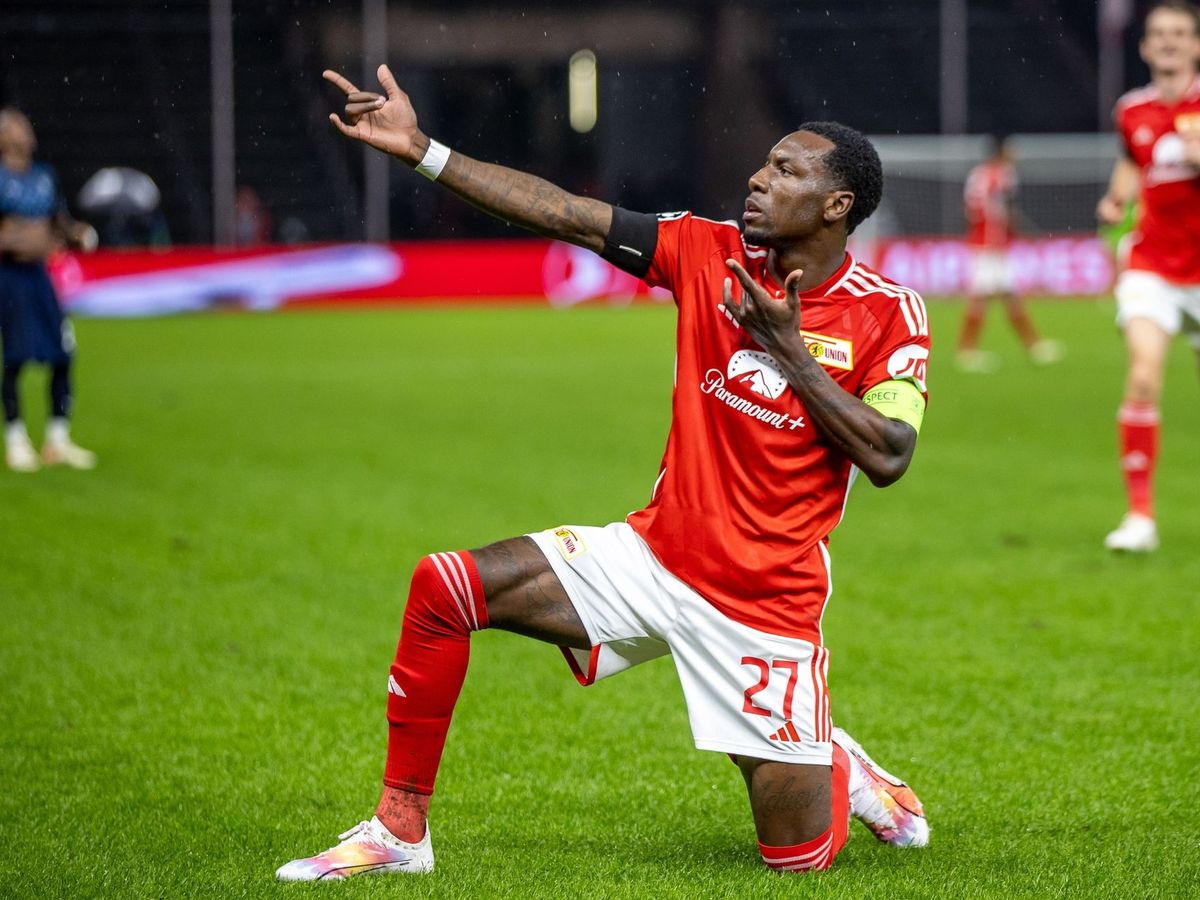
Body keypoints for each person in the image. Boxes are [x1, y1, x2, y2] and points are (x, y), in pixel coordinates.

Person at [277, 64, 933, 881]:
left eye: (785, 171)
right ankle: (399, 831)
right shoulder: (705, 249)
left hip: (765, 607)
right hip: (655, 559)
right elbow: (568, 213)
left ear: (837, 206)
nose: (758, 179)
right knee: (445, 586)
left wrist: (790, 351)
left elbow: (890, 454)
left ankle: (839, 764)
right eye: (764, 164)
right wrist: (422, 151)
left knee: (796, 861)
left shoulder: (887, 313)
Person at [1096, 1, 1200, 552]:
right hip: (1152, 265)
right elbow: (1133, 162)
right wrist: (1117, 199)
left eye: (1179, 33)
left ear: (1196, 45)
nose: (1168, 41)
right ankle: (1140, 517)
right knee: (1142, 376)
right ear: (1144, 46)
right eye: (1159, 33)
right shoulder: (1131, 109)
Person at [0, 108, 97, 472]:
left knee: (63, 353)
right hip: (9, 275)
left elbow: (58, 223)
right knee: (15, 357)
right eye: (13, 126)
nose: (22, 130)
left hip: (40, 275)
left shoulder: (44, 176)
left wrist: (76, 234)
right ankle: (16, 441)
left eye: (23, 125)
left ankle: (57, 440)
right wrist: (20, 237)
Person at [956, 136, 1062, 373]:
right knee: (980, 296)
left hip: (982, 239)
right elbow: (1003, 209)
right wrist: (1025, 232)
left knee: (1009, 294)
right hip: (991, 244)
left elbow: (968, 208)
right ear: (1002, 151)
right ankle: (966, 352)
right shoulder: (1002, 173)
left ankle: (1033, 346)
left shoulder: (978, 173)